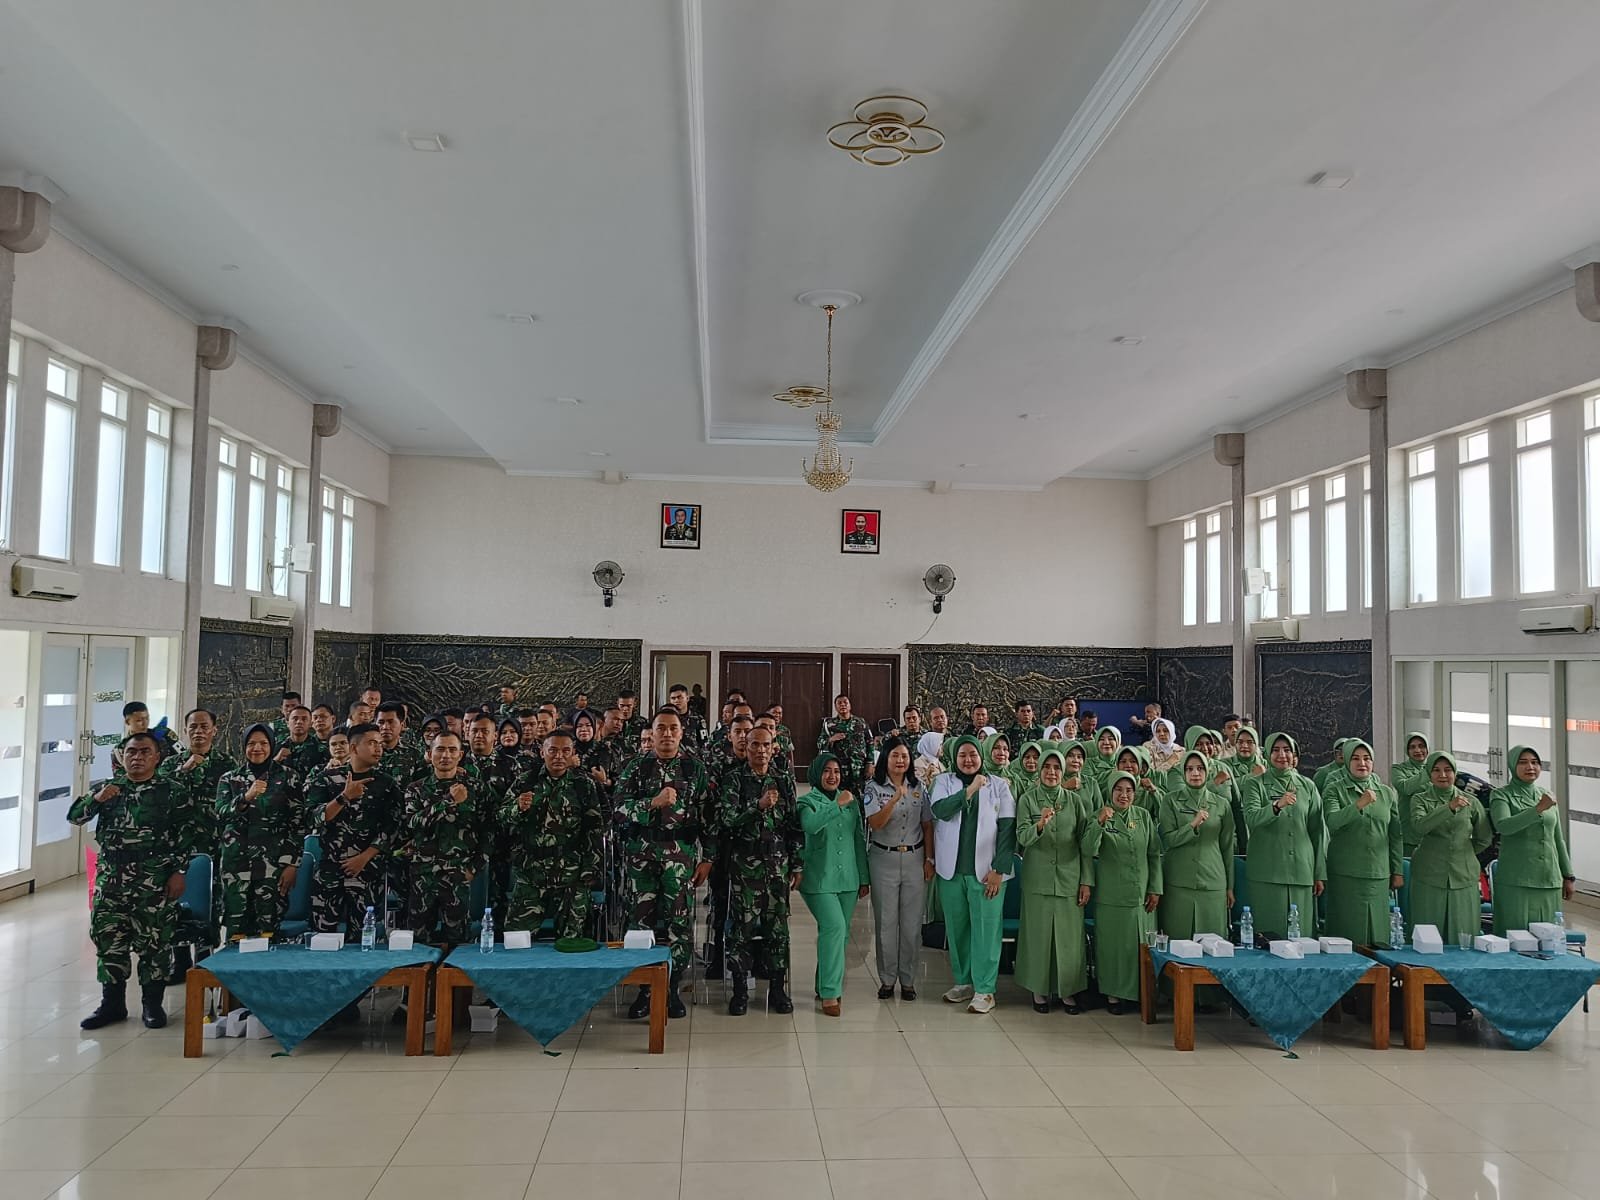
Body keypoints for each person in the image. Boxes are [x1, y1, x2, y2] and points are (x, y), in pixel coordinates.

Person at [70, 732, 188, 1029]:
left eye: (144, 752)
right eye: (131, 752)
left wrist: (179, 871)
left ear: (157, 757)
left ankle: (152, 1005)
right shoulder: (109, 789)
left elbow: (190, 834)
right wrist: (96, 799)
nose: (137, 757)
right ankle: (112, 1004)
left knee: (154, 944)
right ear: (122, 757)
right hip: (112, 881)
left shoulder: (171, 791)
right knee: (110, 942)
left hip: (154, 880)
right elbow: (75, 817)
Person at [614, 709, 713, 1019]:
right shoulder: (636, 767)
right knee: (640, 923)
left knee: (678, 924)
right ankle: (645, 989)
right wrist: (651, 803)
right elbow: (617, 808)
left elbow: (709, 817)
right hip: (641, 857)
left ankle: (670, 988)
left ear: (682, 733)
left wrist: (707, 857)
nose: (667, 734)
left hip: (680, 860)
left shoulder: (694, 769)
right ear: (652, 734)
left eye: (673, 729)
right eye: (661, 729)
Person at [714, 726, 801, 1015]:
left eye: (766, 745)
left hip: (777, 866)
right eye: (755, 745)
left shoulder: (783, 780)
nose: (760, 751)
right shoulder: (734, 779)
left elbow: (793, 824)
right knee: (742, 929)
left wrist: (797, 863)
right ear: (745, 746)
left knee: (777, 929)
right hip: (744, 866)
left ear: (774, 747)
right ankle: (740, 991)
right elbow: (727, 820)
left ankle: (777, 989)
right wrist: (758, 806)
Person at [930, 734, 1016, 1015]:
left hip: (987, 873)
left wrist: (999, 869)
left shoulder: (999, 786)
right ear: (954, 758)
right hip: (951, 870)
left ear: (982, 756)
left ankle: (985, 990)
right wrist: (968, 791)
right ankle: (964, 982)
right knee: (958, 930)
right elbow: (940, 811)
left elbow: (1007, 830)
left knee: (986, 930)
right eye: (962, 755)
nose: (968, 760)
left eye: (973, 755)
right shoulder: (943, 782)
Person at [502, 729, 604, 939]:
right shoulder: (526, 781)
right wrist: (517, 808)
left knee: (571, 943)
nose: (559, 756)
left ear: (573, 753)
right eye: (553, 750)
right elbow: (501, 817)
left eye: (565, 751)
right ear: (542, 752)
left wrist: (590, 870)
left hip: (571, 873)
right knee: (516, 941)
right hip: (531, 870)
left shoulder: (583, 785)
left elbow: (594, 829)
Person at [1015, 747, 1095, 1014]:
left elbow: (1085, 843)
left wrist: (1086, 881)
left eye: (1056, 768)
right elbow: (1022, 837)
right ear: (1039, 770)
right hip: (1038, 877)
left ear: (1063, 772)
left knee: (1069, 939)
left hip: (1069, 879)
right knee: (1038, 936)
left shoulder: (1074, 801)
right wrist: (1040, 824)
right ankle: (1039, 991)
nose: (1051, 772)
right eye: (1047, 767)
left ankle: (1068, 991)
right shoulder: (1028, 799)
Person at [307, 723, 402, 941]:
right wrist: (344, 797)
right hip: (330, 869)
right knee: (323, 939)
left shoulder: (386, 784)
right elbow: (311, 817)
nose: (378, 748)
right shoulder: (327, 778)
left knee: (362, 939)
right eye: (371, 743)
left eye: (380, 744)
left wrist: (365, 857)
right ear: (354, 748)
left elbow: (393, 827)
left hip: (367, 871)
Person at [215, 724, 304, 941]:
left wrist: (292, 863)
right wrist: (246, 797)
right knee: (237, 932)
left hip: (272, 865)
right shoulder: (229, 778)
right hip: (237, 865)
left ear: (272, 745)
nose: (257, 748)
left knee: (269, 931)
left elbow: (298, 823)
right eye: (251, 743)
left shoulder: (288, 777)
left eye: (263, 743)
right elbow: (221, 814)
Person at [797, 752, 870, 1016]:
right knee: (834, 926)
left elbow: (858, 841)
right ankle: (830, 993)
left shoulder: (851, 802)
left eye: (837, 771)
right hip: (819, 879)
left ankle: (822, 982)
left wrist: (864, 877)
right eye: (827, 771)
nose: (832, 776)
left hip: (848, 878)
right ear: (817, 774)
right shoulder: (806, 801)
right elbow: (810, 826)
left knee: (839, 933)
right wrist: (837, 805)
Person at [863, 736, 932, 1000]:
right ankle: (887, 979)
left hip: (914, 859)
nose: (901, 760)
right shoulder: (873, 787)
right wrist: (892, 801)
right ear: (886, 759)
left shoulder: (919, 787)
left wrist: (930, 860)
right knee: (886, 923)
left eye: (904, 756)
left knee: (912, 924)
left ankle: (908, 980)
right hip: (884, 860)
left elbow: (927, 825)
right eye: (895, 756)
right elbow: (875, 824)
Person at [1241, 732, 1326, 940]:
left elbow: (1317, 831)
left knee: (1302, 937)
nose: (1282, 755)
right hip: (1267, 871)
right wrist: (1276, 806)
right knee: (1269, 938)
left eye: (1287, 750)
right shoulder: (1255, 784)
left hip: (1301, 871)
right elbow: (1251, 818)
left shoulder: (1308, 786)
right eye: (1276, 750)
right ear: (1267, 754)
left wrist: (1319, 873)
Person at [1321, 740, 1403, 945]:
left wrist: (1398, 870)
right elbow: (1332, 822)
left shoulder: (1386, 792)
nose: (1362, 763)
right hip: (1345, 872)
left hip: (1378, 873)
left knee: (1378, 935)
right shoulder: (1334, 790)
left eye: (1367, 758)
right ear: (1347, 761)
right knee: (1346, 936)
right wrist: (1358, 805)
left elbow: (1394, 834)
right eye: (1356, 758)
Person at [1091, 771, 1160, 1014]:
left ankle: (1140, 994)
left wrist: (1155, 887)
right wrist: (1099, 822)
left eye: (1129, 790)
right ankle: (1113, 995)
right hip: (1112, 895)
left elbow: (1154, 854)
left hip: (1142, 895)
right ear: (1110, 792)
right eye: (1118, 790)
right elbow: (1088, 848)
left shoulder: (1142, 816)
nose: (1124, 795)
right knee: (1114, 948)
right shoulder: (1100, 816)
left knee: (1139, 946)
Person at [1490, 746, 1576, 934]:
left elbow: (1558, 838)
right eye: (1523, 762)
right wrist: (1537, 809)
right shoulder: (1501, 795)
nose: (1530, 767)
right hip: (1517, 879)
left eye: (1535, 762)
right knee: (1516, 936)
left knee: (1548, 937)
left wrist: (1568, 875)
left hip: (1548, 879)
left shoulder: (1547, 795)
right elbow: (1504, 826)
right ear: (1513, 766)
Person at [1409, 750, 1492, 941]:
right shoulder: (1420, 799)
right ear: (1429, 774)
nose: (1443, 775)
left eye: (1448, 770)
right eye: (1436, 770)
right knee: (1428, 934)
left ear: (1455, 773)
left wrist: (1465, 852)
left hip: (1463, 873)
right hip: (1428, 873)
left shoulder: (1471, 801)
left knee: (1462, 931)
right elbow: (1419, 827)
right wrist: (1449, 808)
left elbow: (1484, 837)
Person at [1156, 750, 1235, 948]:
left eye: (1200, 769)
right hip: (1178, 882)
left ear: (1207, 772)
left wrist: (1229, 886)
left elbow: (1226, 848)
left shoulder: (1222, 805)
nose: (1195, 773)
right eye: (1190, 769)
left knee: (1214, 945)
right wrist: (1192, 825)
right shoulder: (1170, 801)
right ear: (1183, 773)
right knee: (1178, 945)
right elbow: (1168, 840)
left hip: (1213, 882)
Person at [818, 693, 873, 795]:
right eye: (839, 703)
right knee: (840, 798)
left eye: (845, 703)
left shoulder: (861, 722)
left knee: (860, 799)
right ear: (835, 707)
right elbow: (820, 743)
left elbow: (870, 742)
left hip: (859, 769)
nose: (843, 705)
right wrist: (831, 739)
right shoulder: (829, 724)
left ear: (850, 705)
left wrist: (870, 763)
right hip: (839, 770)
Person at [1391, 732, 1432, 856]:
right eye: (1412, 747)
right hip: (1409, 833)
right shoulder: (1398, 769)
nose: (1418, 750)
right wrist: (1429, 771)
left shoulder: (1437, 769)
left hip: (1432, 832)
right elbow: (1405, 788)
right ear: (1407, 751)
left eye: (1421, 746)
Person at [276, 704, 327, 779]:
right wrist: (276, 760)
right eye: (295, 719)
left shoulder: (321, 749)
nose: (299, 722)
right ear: (287, 723)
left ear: (310, 724)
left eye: (304, 719)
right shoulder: (276, 747)